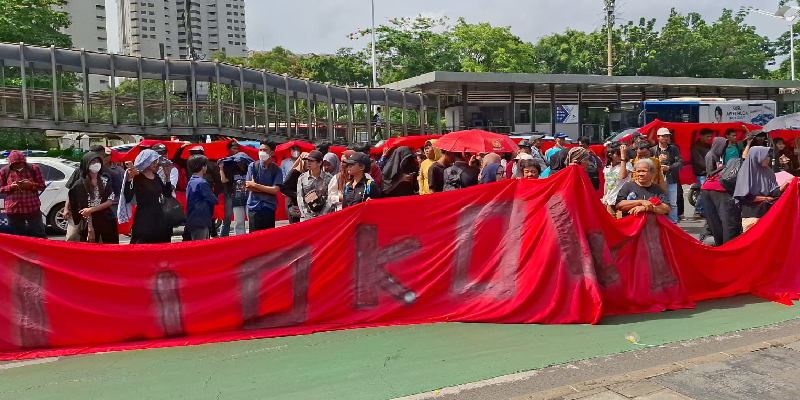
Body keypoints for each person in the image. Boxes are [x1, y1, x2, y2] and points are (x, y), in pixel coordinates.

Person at [64, 145, 120, 241]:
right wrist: (90, 228)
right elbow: (80, 203)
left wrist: (92, 209)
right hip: (86, 220)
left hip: (105, 218)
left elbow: (110, 200)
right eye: (93, 162)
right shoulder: (79, 183)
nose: (96, 164)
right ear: (87, 163)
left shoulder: (106, 178)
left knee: (108, 245)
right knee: (79, 242)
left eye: (98, 161)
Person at [120, 149, 174, 244]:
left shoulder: (156, 176)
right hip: (144, 216)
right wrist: (129, 179)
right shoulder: (137, 177)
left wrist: (167, 176)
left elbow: (167, 194)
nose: (155, 163)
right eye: (152, 161)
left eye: (156, 161)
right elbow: (128, 197)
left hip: (159, 215)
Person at [734, 147, 791, 233]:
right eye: (765, 156)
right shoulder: (746, 172)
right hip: (752, 214)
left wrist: (787, 183)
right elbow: (744, 196)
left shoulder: (769, 172)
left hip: (768, 213)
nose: (768, 158)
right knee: (752, 239)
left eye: (768, 156)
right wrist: (764, 198)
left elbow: (773, 192)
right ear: (756, 156)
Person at [702, 137, 741, 246]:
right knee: (725, 219)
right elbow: (710, 172)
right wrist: (723, 168)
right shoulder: (710, 155)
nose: (725, 148)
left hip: (712, 186)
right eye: (724, 146)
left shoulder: (718, 155)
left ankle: (721, 243)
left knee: (717, 219)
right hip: (715, 187)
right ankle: (725, 245)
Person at [0, 151, 47, 238]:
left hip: (32, 207)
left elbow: (42, 186)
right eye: (15, 164)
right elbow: (1, 188)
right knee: (19, 237)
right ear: (10, 164)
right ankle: (22, 252)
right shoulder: (4, 171)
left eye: (19, 163)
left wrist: (30, 185)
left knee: (39, 234)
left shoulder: (34, 168)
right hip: (14, 210)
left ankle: (42, 251)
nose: (17, 165)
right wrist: (10, 187)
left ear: (24, 161)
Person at [246, 141, 284, 232]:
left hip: (269, 207)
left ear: (272, 153)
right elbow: (248, 186)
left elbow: (275, 190)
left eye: (265, 150)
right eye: (260, 150)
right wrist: (267, 189)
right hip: (254, 207)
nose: (262, 152)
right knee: (254, 238)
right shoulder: (253, 166)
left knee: (268, 238)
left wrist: (256, 185)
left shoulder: (277, 170)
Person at [650, 128, 683, 224]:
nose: (665, 138)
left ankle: (673, 224)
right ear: (658, 137)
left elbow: (680, 163)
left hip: (671, 179)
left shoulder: (674, 149)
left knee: (673, 203)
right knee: (656, 202)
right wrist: (658, 161)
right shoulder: (652, 150)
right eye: (663, 136)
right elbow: (648, 164)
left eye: (667, 136)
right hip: (656, 181)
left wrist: (669, 167)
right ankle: (659, 223)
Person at [185, 155, 219, 241]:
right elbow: (213, 199)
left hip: (193, 218)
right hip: (201, 219)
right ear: (202, 167)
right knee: (201, 246)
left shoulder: (191, 180)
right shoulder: (202, 183)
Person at [218, 152, 250, 237]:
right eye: (238, 161)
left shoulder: (250, 170)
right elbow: (224, 180)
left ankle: (252, 237)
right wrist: (221, 169)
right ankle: (240, 238)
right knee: (239, 221)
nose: (240, 163)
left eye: (242, 161)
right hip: (237, 199)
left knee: (252, 220)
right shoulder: (233, 171)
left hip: (249, 199)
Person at [297, 150, 334, 221]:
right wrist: (305, 214)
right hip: (306, 217)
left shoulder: (329, 178)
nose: (309, 163)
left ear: (319, 163)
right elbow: (300, 197)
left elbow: (330, 199)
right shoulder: (302, 178)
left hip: (324, 217)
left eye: (312, 161)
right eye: (308, 160)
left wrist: (321, 216)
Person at [602, 144, 632, 218]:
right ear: (610, 155)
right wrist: (605, 195)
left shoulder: (627, 164)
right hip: (610, 200)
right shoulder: (607, 167)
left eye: (621, 154)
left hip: (622, 200)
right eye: (618, 154)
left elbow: (622, 176)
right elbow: (606, 182)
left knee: (621, 222)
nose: (620, 156)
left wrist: (623, 159)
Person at [691, 128, 714, 219]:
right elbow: (698, 161)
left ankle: (704, 210)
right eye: (707, 136)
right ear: (702, 136)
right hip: (701, 173)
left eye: (710, 137)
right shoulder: (695, 147)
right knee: (703, 192)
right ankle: (698, 210)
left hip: (709, 171)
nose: (709, 138)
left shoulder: (709, 146)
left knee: (707, 192)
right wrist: (709, 167)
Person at [280, 152, 308, 224]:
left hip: (305, 207)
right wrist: (297, 195)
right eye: (306, 160)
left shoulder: (308, 173)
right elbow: (283, 188)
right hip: (294, 205)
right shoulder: (294, 172)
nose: (308, 162)